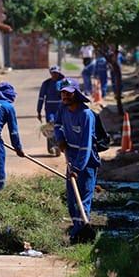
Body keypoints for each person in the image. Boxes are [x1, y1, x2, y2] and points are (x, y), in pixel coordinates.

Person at [54, 78, 101, 243]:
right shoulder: (63, 109)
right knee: (72, 198)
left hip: (86, 161)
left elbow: (86, 145)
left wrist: (78, 168)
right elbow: (57, 125)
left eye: (68, 93)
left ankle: (82, 233)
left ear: (76, 94)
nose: (65, 96)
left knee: (84, 197)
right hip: (71, 155)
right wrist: (60, 140)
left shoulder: (86, 115)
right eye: (63, 92)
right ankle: (77, 228)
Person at [37, 65, 64, 155]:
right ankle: (51, 146)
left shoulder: (64, 82)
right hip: (50, 109)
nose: (54, 75)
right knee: (50, 127)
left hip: (61, 109)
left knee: (60, 127)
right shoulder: (46, 83)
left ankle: (60, 145)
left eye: (56, 73)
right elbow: (41, 97)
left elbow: (71, 94)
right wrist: (38, 110)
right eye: (53, 73)